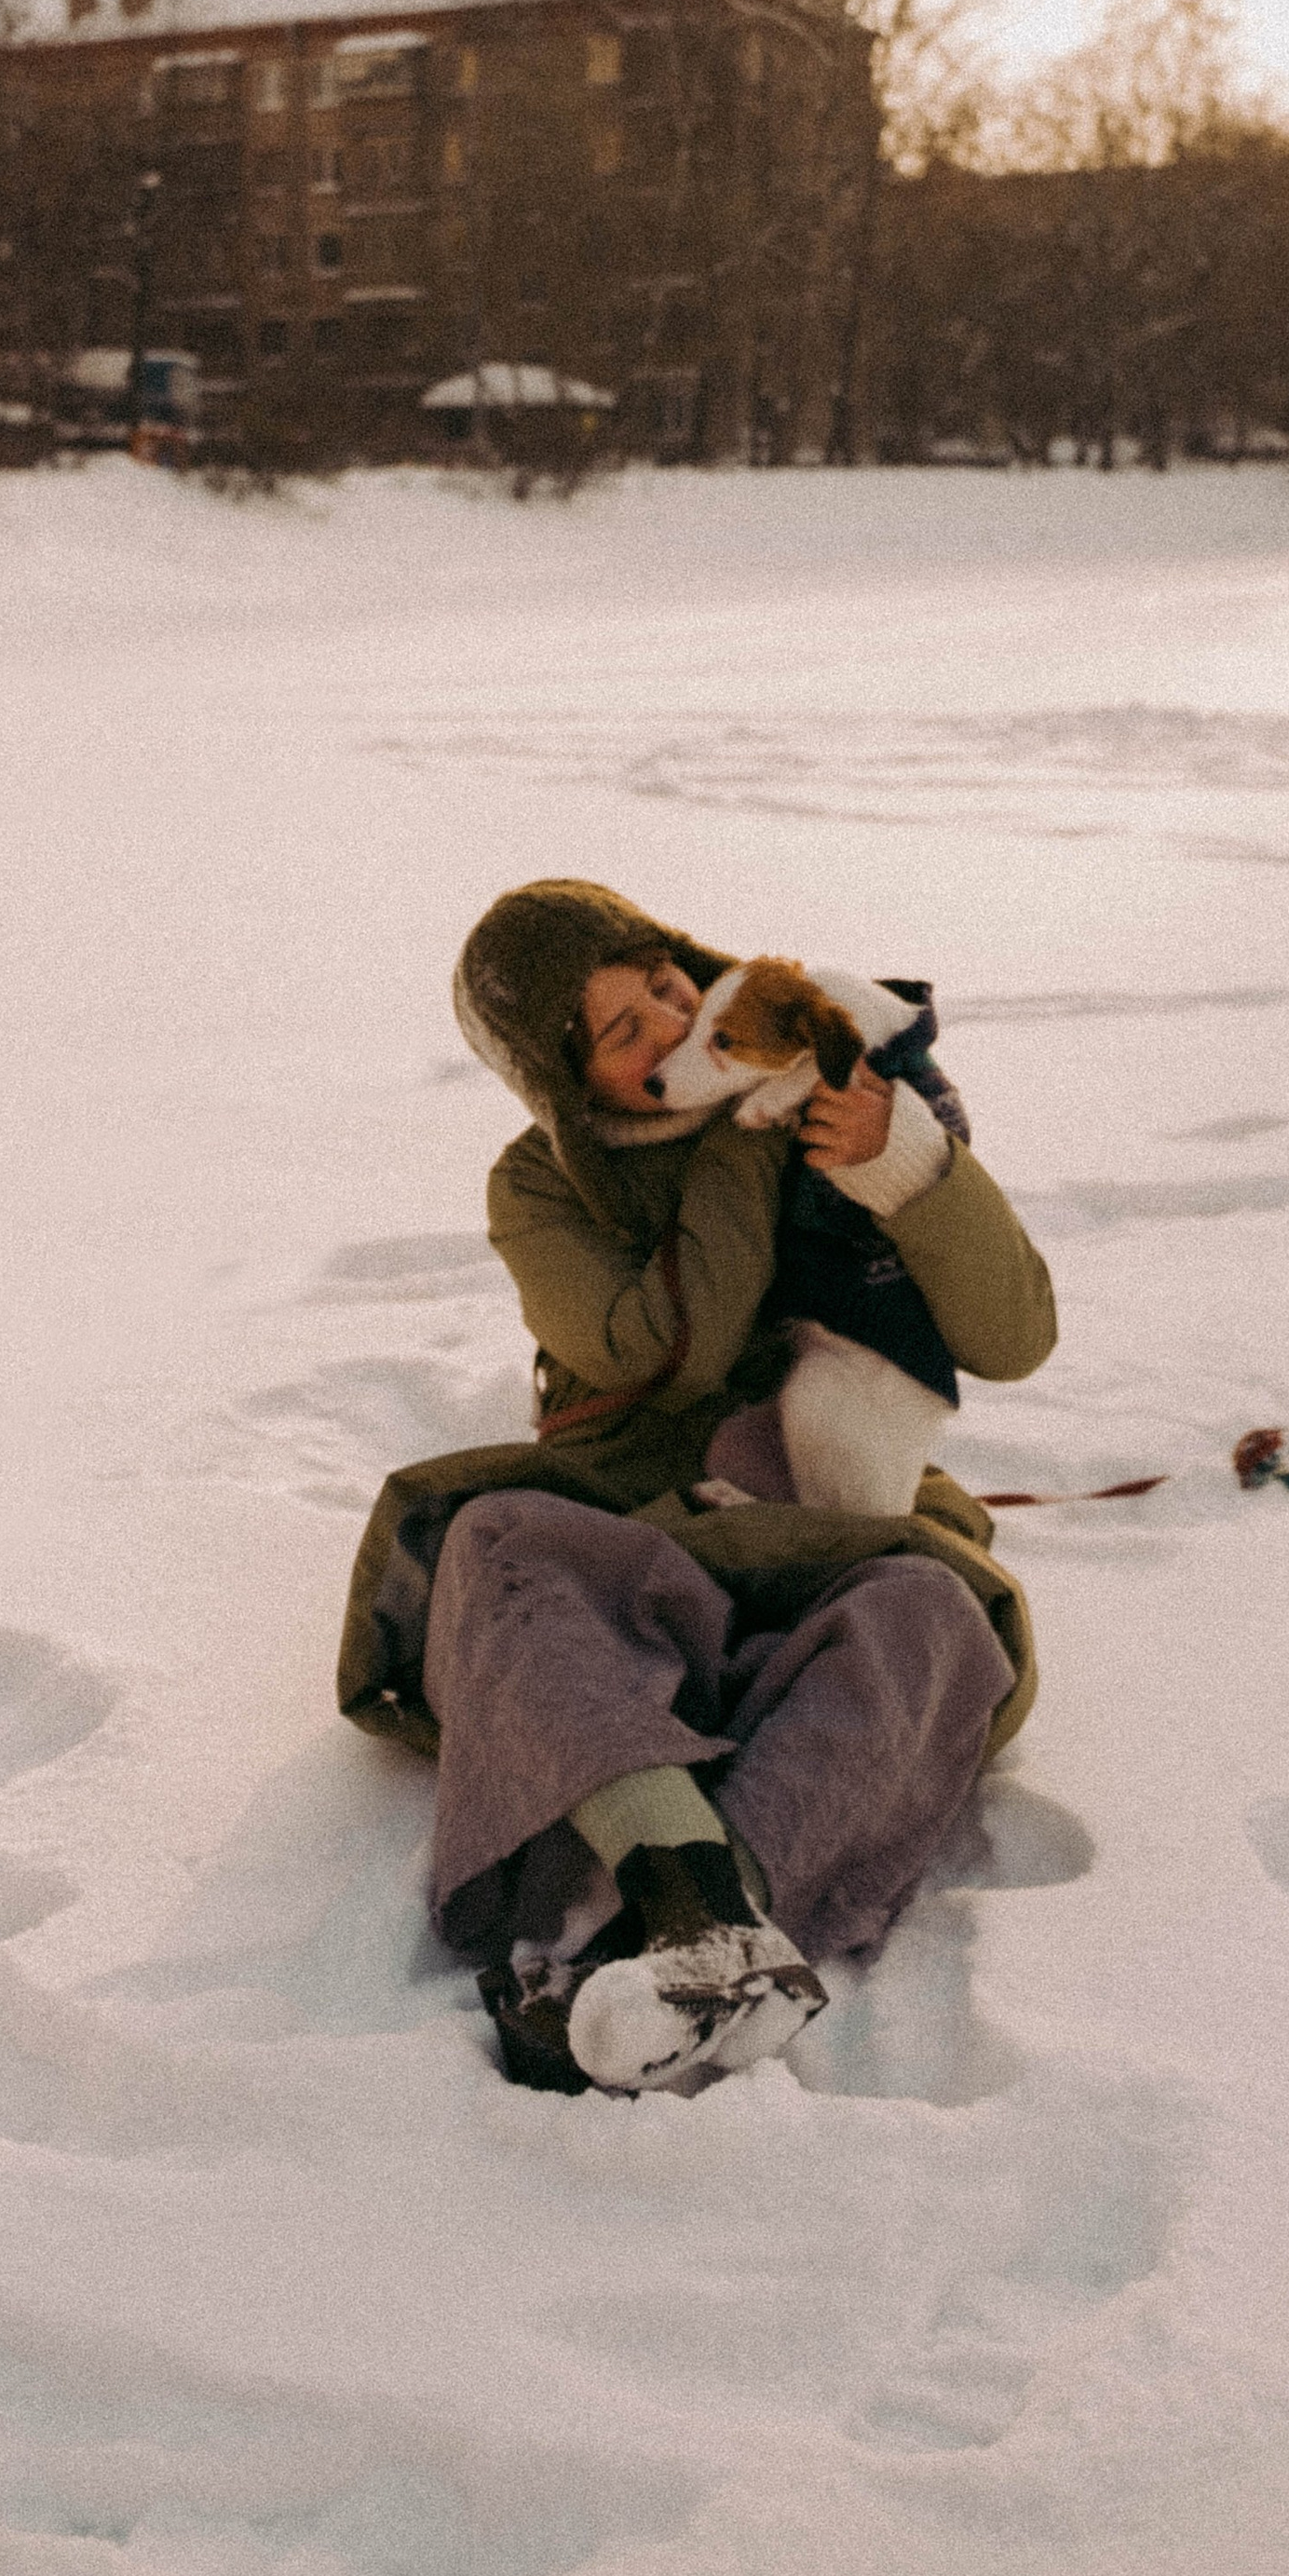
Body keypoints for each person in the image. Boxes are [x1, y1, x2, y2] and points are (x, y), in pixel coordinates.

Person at [336, 879, 1057, 2095]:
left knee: (929, 1612)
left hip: (825, 1532)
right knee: (497, 1543)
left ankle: (675, 1957)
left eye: (670, 985)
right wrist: (735, 1133)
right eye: (624, 1033)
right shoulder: (543, 1183)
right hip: (637, 1556)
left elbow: (1014, 1335)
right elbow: (676, 1345)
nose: (673, 1030)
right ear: (569, 1082)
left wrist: (910, 1162)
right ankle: (689, 1901)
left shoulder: (842, 1092)